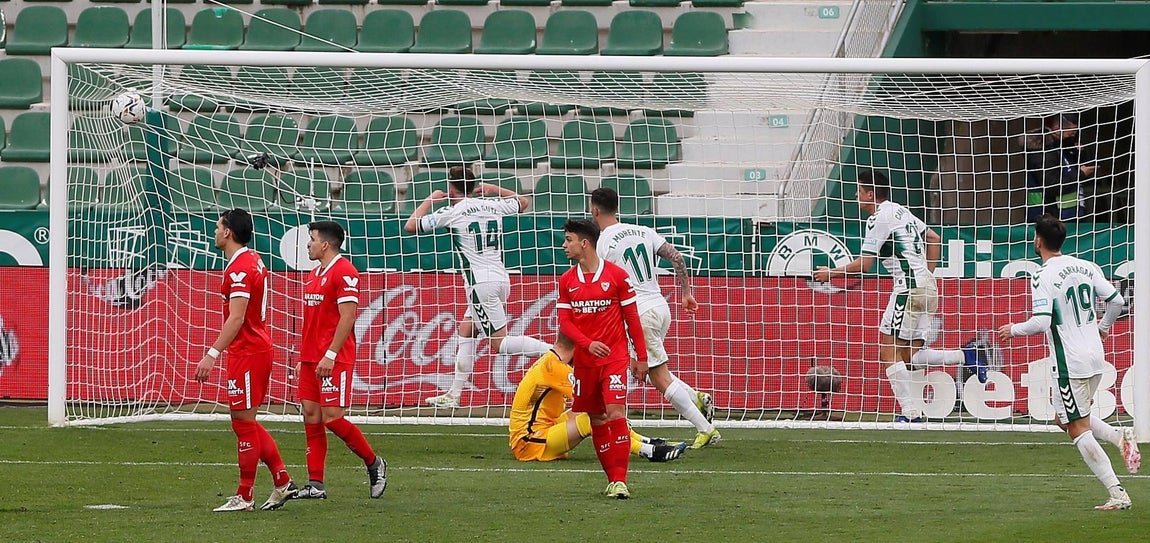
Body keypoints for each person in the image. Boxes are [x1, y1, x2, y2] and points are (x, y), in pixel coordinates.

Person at [813, 170, 989, 423]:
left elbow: (864, 265)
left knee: (889, 354)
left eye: (858, 192)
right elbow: (934, 237)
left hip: (908, 289)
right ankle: (967, 355)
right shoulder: (900, 210)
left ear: (870, 194)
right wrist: (926, 273)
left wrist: (831, 272)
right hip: (928, 288)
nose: (855, 196)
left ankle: (910, 413)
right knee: (910, 356)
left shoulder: (877, 219)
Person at [997, 214, 1139, 510]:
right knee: (1064, 419)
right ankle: (1119, 435)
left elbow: (1041, 321)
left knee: (1076, 428)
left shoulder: (1042, 275)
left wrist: (1013, 329)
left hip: (1069, 364)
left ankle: (1117, 493)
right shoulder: (1086, 266)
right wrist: (1103, 328)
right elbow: (1117, 302)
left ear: (1038, 240)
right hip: (1096, 359)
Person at [404, 166, 550, 408]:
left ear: (451, 187)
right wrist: (494, 189)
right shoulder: (492, 205)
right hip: (501, 279)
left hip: (480, 284)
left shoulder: (453, 211)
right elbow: (523, 202)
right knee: (467, 330)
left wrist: (430, 199)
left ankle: (555, 351)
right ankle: (454, 394)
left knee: (498, 344)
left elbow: (411, 225)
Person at [589, 187, 719, 449]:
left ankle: (706, 429)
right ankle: (696, 396)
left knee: (658, 378)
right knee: (650, 370)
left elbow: (603, 284)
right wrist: (686, 294)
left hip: (640, 314)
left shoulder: (602, 242)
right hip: (661, 307)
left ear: (595, 210)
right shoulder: (643, 230)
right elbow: (676, 257)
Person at [194, 208, 297, 512]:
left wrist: (211, 354)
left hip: (249, 350)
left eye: (217, 227)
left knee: (242, 422)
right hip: (252, 349)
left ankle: (245, 495)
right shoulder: (251, 260)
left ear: (227, 232)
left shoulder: (239, 270)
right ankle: (282, 481)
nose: (214, 233)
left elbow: (236, 318)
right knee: (244, 420)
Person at [292, 221, 387, 500]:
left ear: (325, 244)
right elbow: (313, 322)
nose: (308, 245)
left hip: (334, 357)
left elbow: (347, 316)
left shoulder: (345, 272)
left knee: (332, 418)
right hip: (311, 358)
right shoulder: (313, 274)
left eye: (312, 239)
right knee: (311, 415)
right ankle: (315, 483)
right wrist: (304, 358)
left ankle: (374, 462)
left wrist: (330, 355)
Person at [557, 219, 648, 499]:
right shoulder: (567, 281)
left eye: (569, 239)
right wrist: (587, 343)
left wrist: (641, 356)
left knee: (615, 412)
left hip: (614, 357)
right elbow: (565, 323)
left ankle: (621, 480)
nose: (564, 245)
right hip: (584, 362)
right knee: (596, 418)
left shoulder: (617, 276)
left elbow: (632, 318)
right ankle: (612, 479)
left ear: (584, 243)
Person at [510, 333, 688, 463]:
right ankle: (649, 451)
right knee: (594, 416)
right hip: (528, 442)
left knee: (591, 412)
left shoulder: (551, 360)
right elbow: (593, 400)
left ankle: (645, 441)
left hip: (546, 426)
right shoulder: (553, 366)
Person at [1023, 114, 1094, 221]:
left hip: (1069, 216)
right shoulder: (1043, 152)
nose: (1073, 136)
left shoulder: (1063, 147)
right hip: (1049, 218)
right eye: (1071, 132)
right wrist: (1081, 174)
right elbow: (1052, 185)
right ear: (1057, 129)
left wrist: (1079, 151)